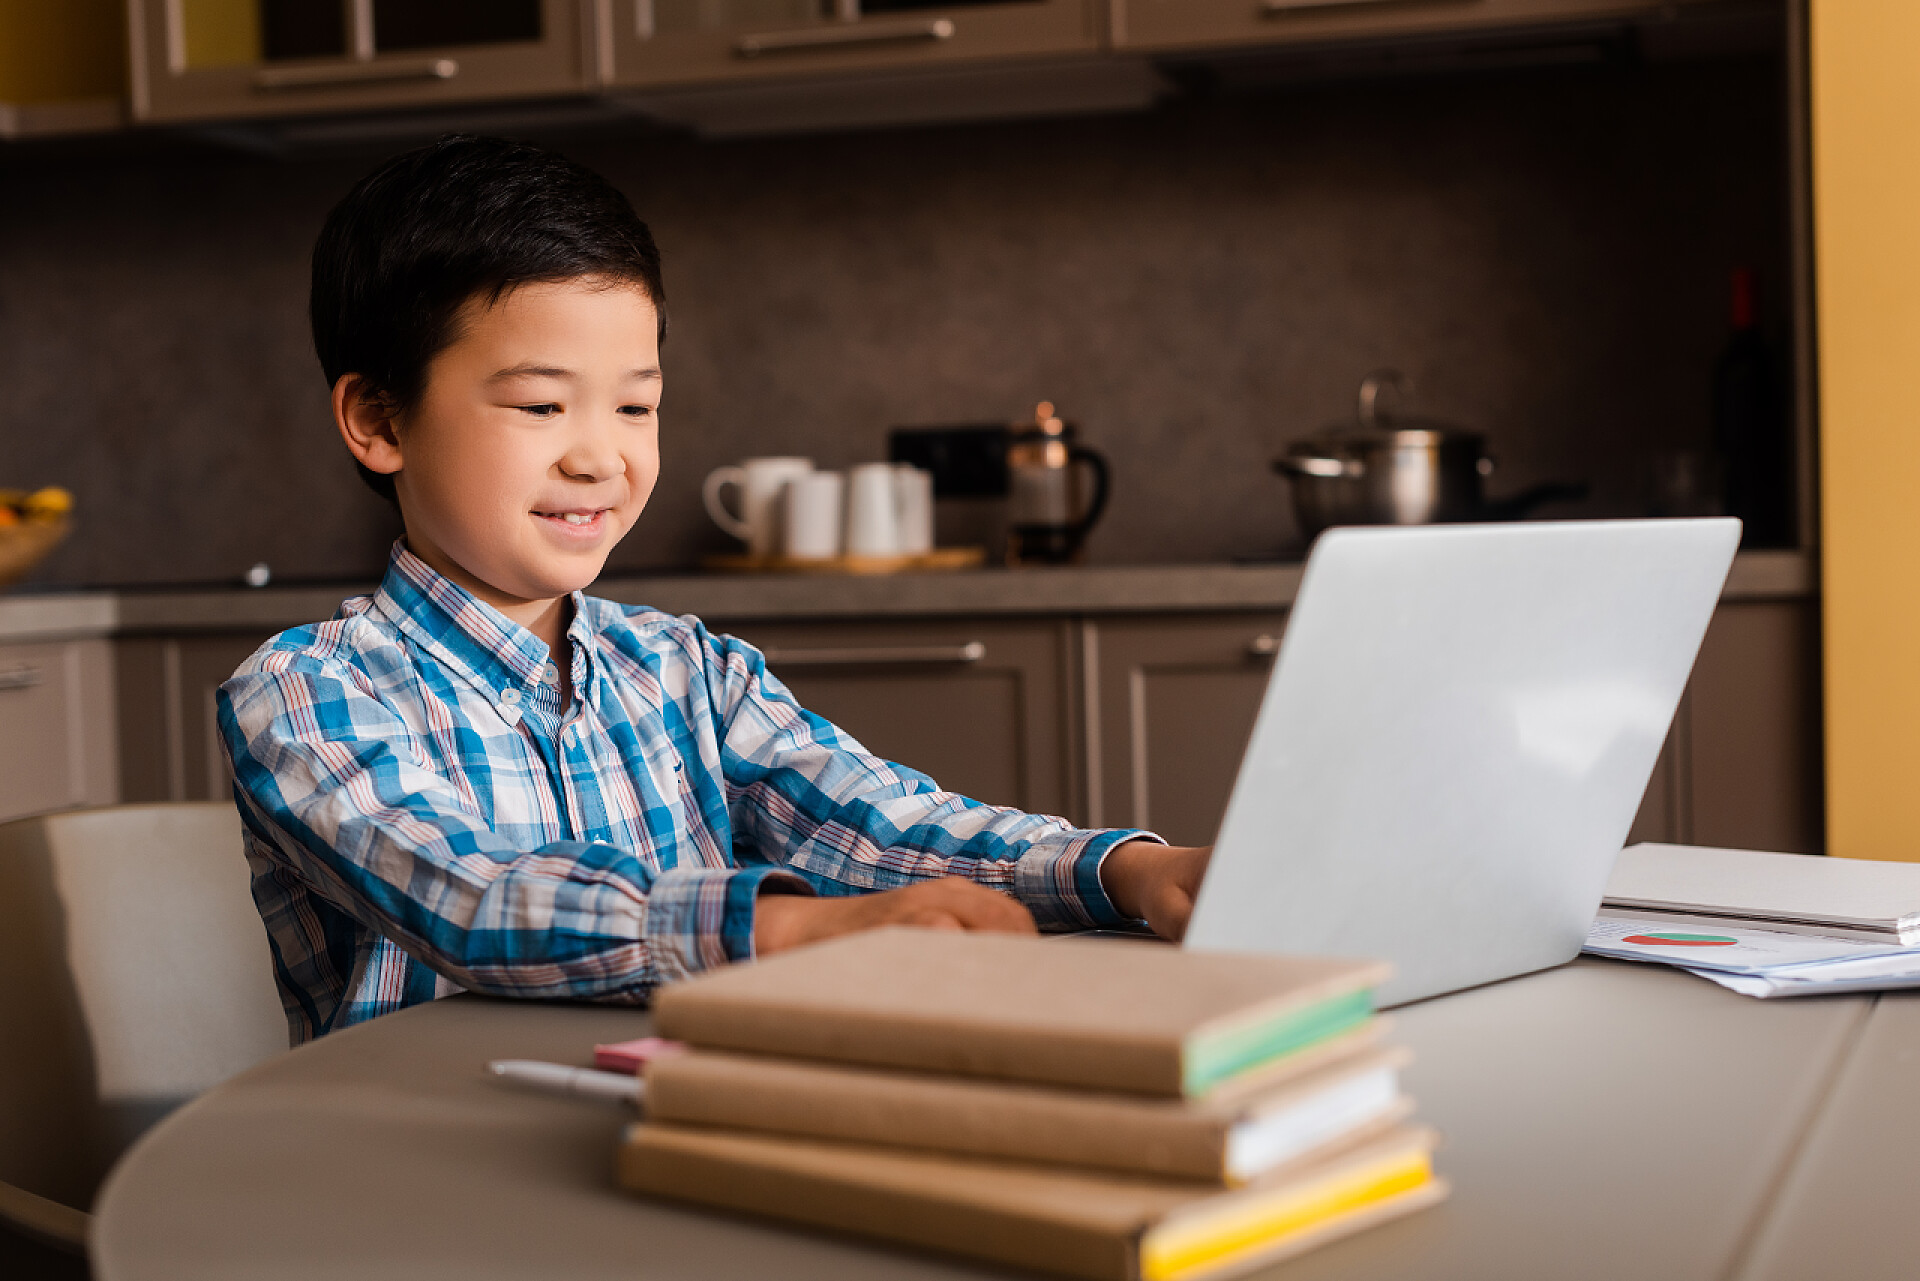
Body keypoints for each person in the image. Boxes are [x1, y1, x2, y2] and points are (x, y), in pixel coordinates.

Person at [219, 135, 1210, 1045]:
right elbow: (473, 898)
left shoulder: (686, 668)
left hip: (670, 1117)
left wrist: (1130, 870)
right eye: (541, 404)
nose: (599, 456)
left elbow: (877, 823)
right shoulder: (307, 695)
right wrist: (791, 930)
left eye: (637, 405)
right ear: (379, 420)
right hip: (414, 1166)